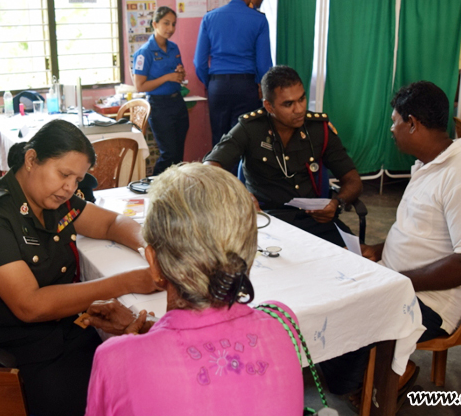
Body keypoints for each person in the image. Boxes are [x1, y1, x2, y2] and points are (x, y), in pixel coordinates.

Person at [0, 119, 157, 416]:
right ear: (32, 159)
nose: (70, 188)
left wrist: (148, 250)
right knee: (106, 398)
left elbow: (112, 223)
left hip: (58, 331)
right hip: (7, 348)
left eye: (77, 179)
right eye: (64, 174)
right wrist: (125, 282)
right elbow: (29, 305)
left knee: (133, 377)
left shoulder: (56, 202)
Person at [321, 81, 461, 407]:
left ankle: (371, 383)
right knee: (330, 293)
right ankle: (358, 378)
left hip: (431, 301)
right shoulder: (428, 167)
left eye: (395, 121)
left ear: (413, 123)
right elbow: (422, 235)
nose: (392, 128)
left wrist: (402, 281)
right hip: (402, 280)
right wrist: (379, 249)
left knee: (346, 321)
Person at [84, 163, 305, 415]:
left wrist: (136, 348)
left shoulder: (116, 360)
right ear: (248, 254)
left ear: (154, 265)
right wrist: (144, 326)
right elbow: (208, 337)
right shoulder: (283, 322)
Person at [204, 65, 362, 247]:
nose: (299, 109)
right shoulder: (250, 128)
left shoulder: (319, 129)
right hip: (268, 221)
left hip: (314, 221)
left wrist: (337, 203)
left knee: (356, 259)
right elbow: (210, 167)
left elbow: (353, 180)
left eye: (302, 99)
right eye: (288, 104)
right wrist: (239, 195)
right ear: (269, 106)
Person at [194, 0, 273, 146]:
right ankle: (239, 174)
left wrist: (211, 83)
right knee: (245, 140)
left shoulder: (209, 18)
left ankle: (219, 173)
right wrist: (261, 85)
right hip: (246, 87)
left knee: (220, 142)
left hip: (218, 86)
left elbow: (199, 62)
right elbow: (264, 63)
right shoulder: (259, 20)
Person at [132, 6, 189, 175]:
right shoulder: (144, 53)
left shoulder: (174, 48)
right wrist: (168, 77)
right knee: (168, 153)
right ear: (155, 24)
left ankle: (174, 193)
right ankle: (154, 188)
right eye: (166, 23)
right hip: (159, 106)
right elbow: (140, 86)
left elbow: (179, 74)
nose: (170, 29)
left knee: (178, 156)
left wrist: (180, 74)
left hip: (177, 102)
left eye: (173, 24)